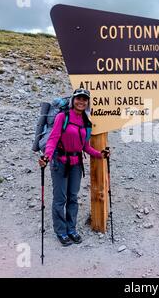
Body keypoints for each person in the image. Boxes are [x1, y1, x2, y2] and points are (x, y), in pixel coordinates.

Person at [38, 88, 109, 246]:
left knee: (73, 198)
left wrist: (100, 154)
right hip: (59, 161)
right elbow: (53, 138)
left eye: (84, 99)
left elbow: (85, 147)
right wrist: (47, 156)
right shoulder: (62, 117)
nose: (81, 102)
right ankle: (61, 231)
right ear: (73, 100)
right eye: (78, 99)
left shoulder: (86, 121)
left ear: (87, 102)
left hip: (76, 163)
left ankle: (71, 229)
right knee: (60, 199)